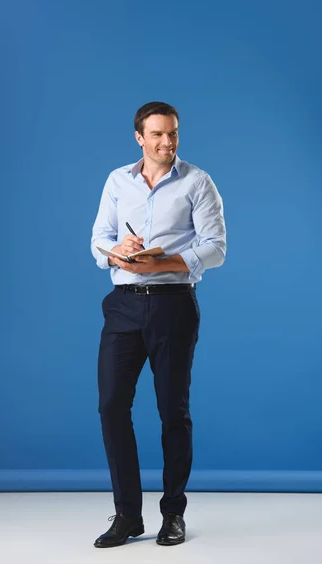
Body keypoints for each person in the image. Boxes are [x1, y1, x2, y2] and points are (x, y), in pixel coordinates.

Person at [90, 101, 226, 548]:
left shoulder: (197, 182)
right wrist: (119, 251)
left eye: (173, 134)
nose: (167, 143)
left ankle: (173, 514)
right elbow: (98, 239)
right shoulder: (116, 181)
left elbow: (215, 248)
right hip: (123, 305)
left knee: (173, 412)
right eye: (157, 135)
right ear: (139, 138)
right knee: (111, 405)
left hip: (172, 304)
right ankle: (128, 514)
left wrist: (163, 262)